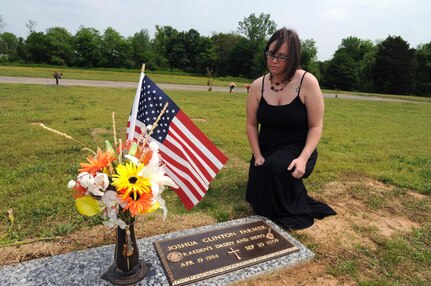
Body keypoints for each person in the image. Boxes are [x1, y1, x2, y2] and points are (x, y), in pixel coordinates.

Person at [245, 27, 336, 230]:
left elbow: (316, 126)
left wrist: (303, 158)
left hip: (297, 148)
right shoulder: (258, 85)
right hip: (266, 148)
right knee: (255, 192)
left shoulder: (307, 82)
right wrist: (257, 154)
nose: (273, 60)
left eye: (281, 56)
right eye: (270, 54)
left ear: (293, 57)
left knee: (275, 170)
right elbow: (251, 124)